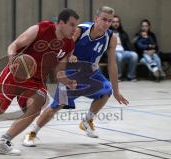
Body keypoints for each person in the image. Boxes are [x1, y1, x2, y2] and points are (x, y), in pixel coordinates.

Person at [0, 8, 79, 154]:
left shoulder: (69, 44)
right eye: (72, 25)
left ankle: (3, 140)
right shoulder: (40, 29)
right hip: (16, 74)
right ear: (61, 23)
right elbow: (13, 46)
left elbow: (59, 70)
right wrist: (12, 60)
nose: (74, 29)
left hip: (36, 81)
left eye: (76, 25)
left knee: (35, 106)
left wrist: (67, 81)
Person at [22, 6, 129, 147]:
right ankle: (32, 133)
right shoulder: (81, 29)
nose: (106, 23)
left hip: (92, 73)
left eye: (110, 21)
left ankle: (87, 121)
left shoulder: (111, 38)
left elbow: (112, 64)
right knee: (57, 105)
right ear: (96, 18)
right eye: (104, 19)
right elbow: (66, 44)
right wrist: (70, 54)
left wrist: (116, 91)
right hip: (71, 73)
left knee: (106, 90)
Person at [110, 15, 138, 81]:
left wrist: (133, 51)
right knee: (119, 56)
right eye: (113, 22)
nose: (115, 23)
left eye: (117, 22)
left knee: (134, 55)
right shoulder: (107, 33)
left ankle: (131, 76)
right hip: (113, 53)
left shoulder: (123, 33)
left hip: (123, 52)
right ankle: (118, 76)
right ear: (111, 23)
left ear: (119, 23)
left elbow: (128, 45)